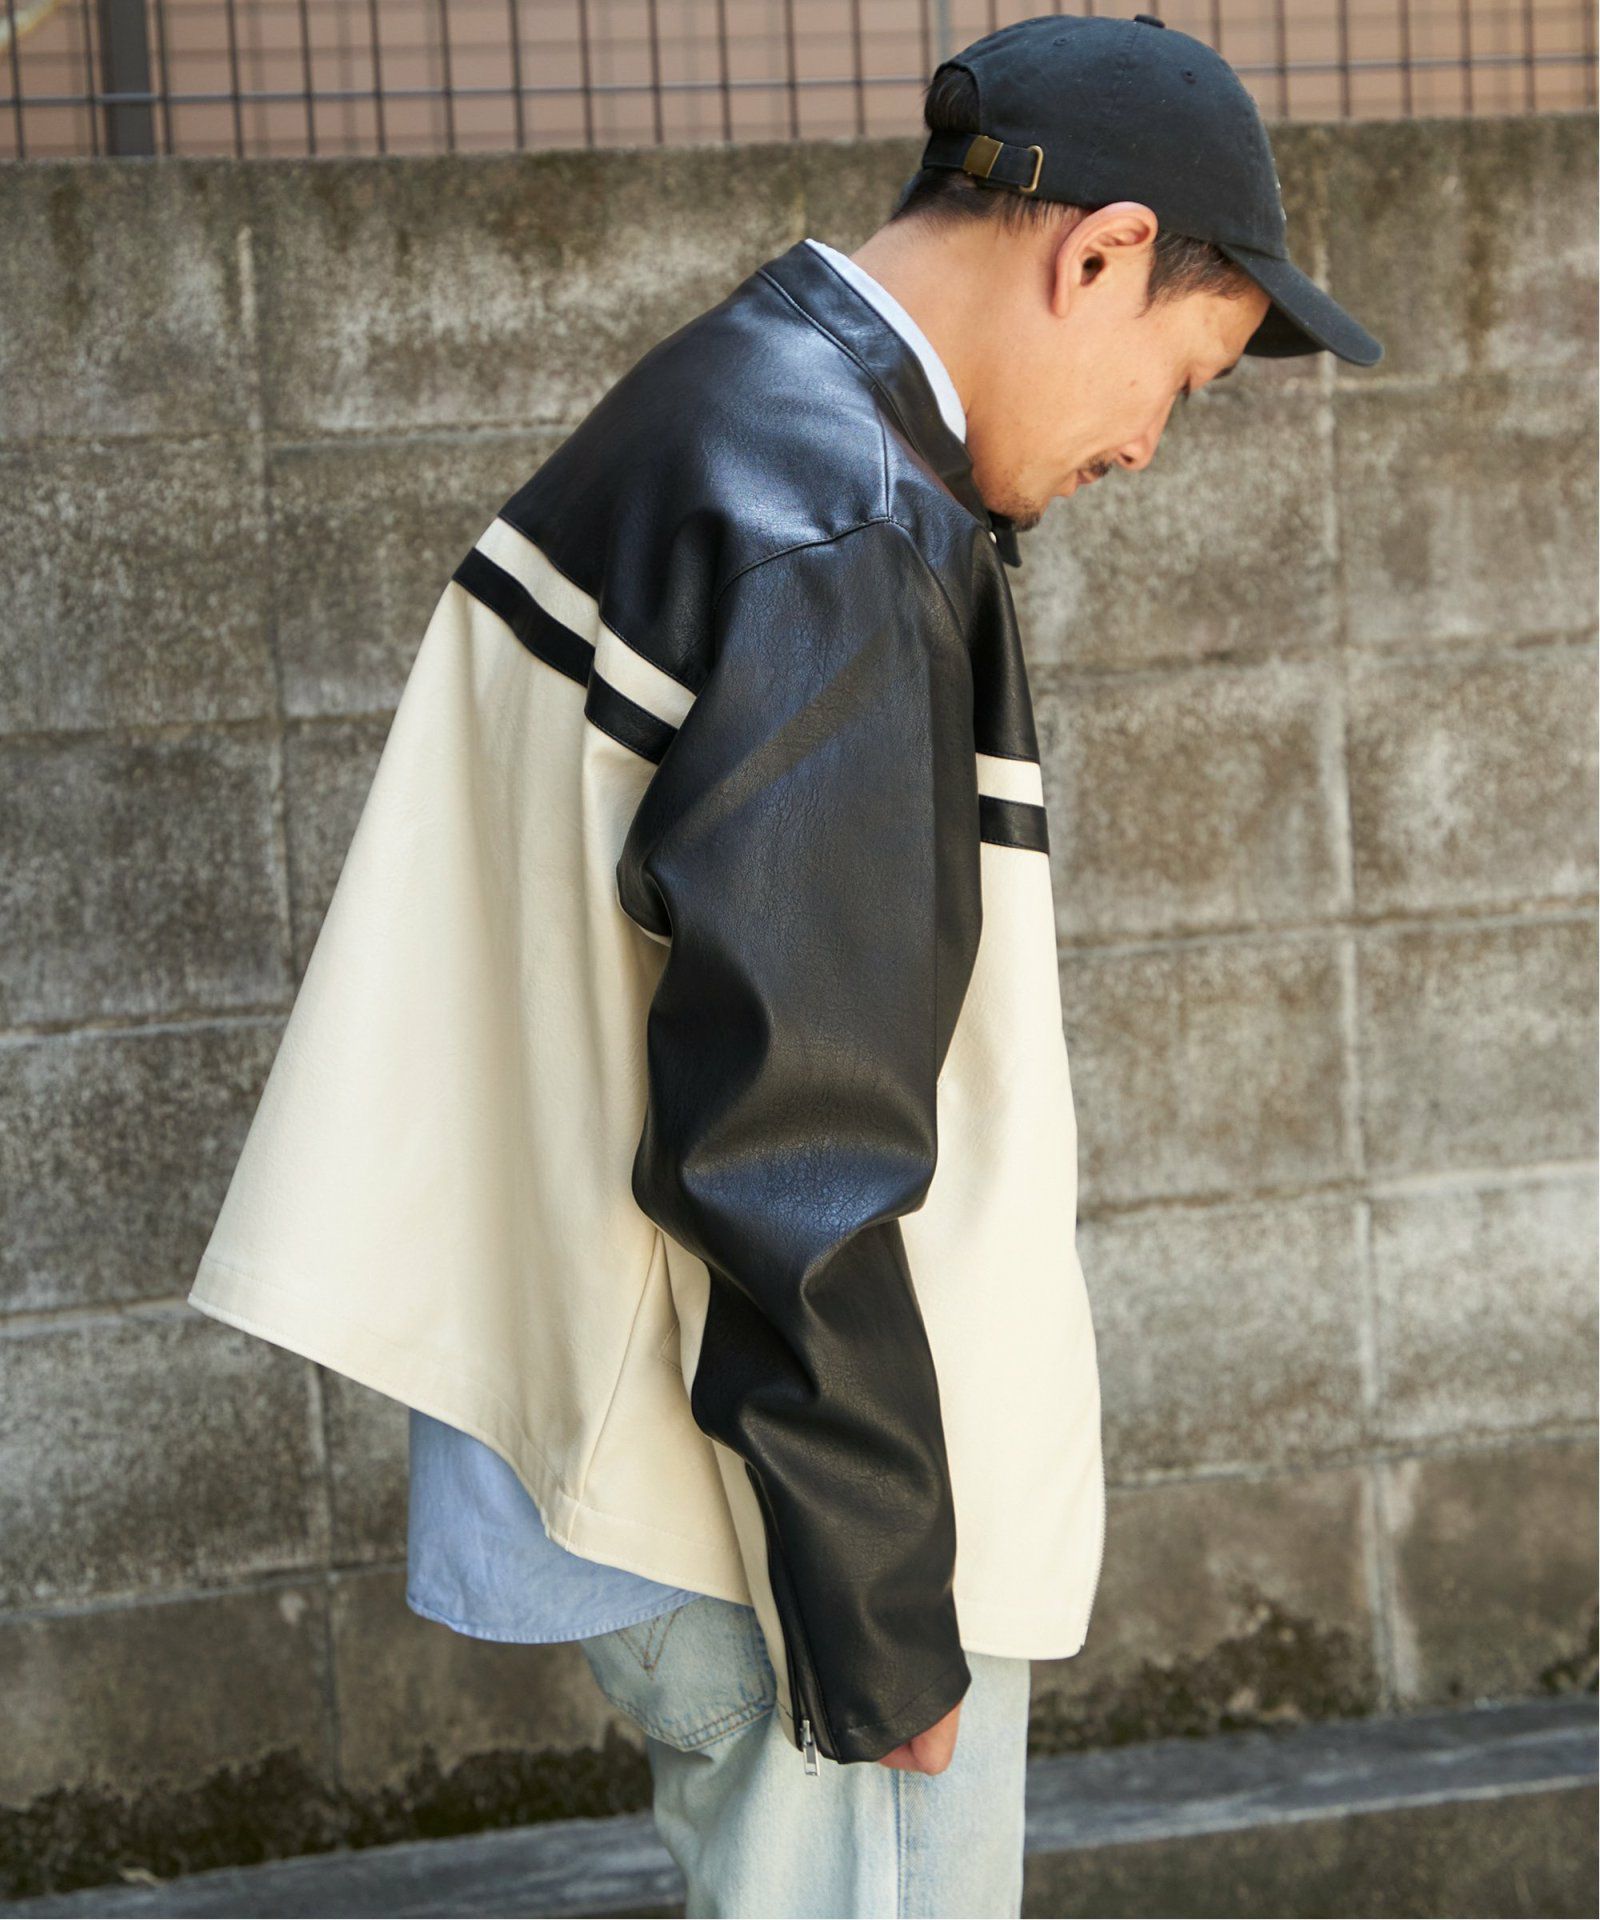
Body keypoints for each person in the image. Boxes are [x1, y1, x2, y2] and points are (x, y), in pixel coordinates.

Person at [187, 13, 1382, 1917]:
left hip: (674, 1458)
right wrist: (881, 1614)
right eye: (1184, 374)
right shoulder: (843, 525)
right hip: (774, 1528)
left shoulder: (720, 416)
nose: (1146, 444)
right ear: (1098, 255)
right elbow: (786, 1137)